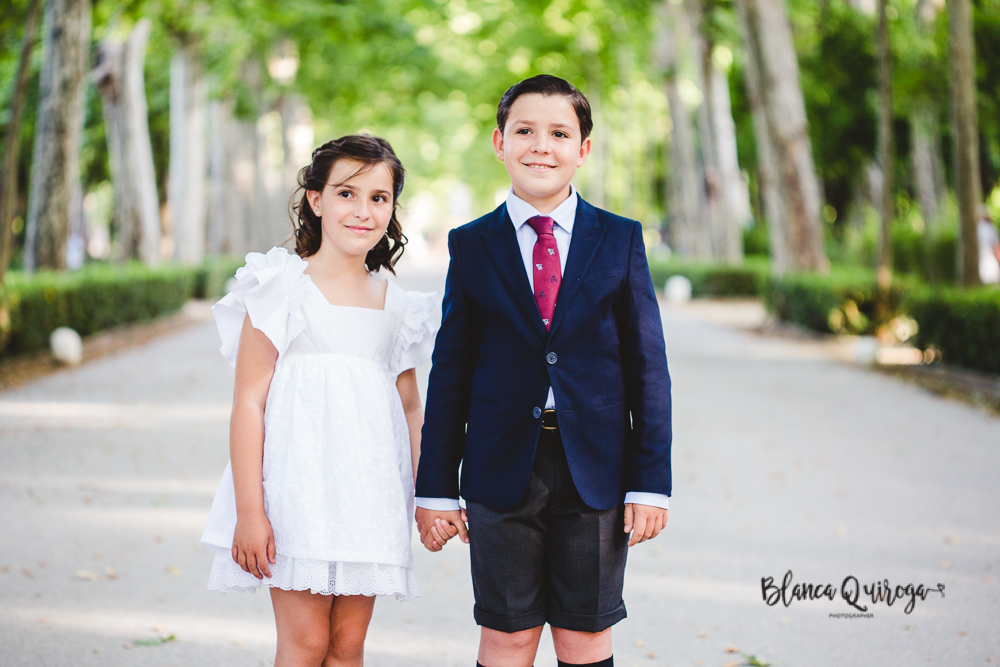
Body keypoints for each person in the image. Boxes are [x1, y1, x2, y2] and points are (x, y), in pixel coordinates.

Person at [415, 75, 672, 667]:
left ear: (583, 149)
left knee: (585, 636)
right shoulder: (472, 244)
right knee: (507, 634)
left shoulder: (621, 239)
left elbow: (647, 369)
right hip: (500, 469)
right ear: (500, 142)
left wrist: (650, 479)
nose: (541, 146)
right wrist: (435, 486)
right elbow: (450, 370)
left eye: (560, 133)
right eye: (525, 131)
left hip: (597, 471)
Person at [200, 134, 439, 666]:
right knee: (306, 644)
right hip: (297, 495)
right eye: (347, 194)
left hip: (368, 497)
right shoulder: (280, 285)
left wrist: (431, 495)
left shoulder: (398, 305)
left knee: (347, 646)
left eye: (379, 198)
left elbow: (411, 409)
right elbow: (248, 404)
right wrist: (249, 512)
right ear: (316, 200)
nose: (363, 211)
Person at [977, 208, 1000, 285]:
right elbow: (995, 245)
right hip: (989, 257)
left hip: (981, 257)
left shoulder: (977, 228)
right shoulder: (990, 228)